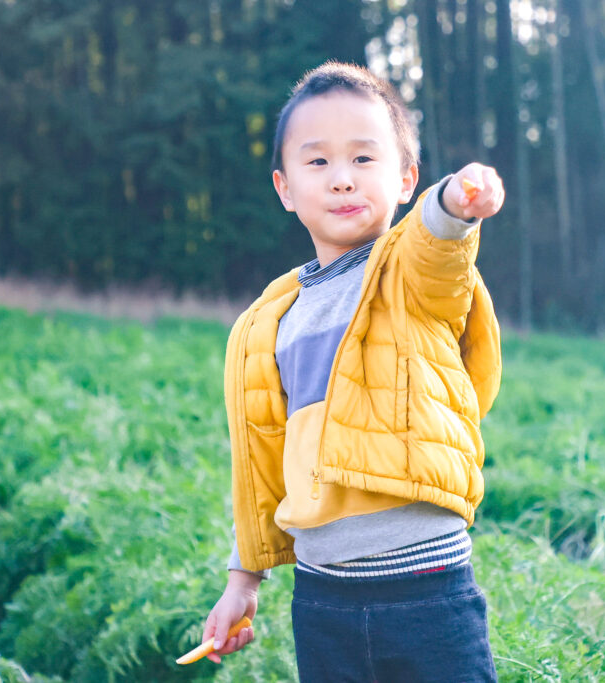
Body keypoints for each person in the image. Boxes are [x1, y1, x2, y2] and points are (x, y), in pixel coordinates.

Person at [200, 60, 504, 682]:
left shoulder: (406, 277)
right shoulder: (271, 321)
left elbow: (435, 243)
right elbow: (265, 465)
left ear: (404, 179)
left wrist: (455, 202)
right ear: (285, 188)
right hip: (322, 602)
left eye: (364, 160)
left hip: (426, 589)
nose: (342, 180)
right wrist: (242, 580)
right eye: (319, 163)